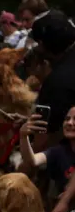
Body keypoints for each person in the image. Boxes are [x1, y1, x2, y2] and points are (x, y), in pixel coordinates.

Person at [30, 11, 75, 150]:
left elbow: (42, 141)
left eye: (38, 43)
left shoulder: (56, 83)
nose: (36, 48)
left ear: (45, 45)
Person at [21, 106, 75, 212]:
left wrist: (66, 199)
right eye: (67, 119)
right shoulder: (59, 151)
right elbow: (33, 160)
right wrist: (23, 136)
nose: (70, 123)